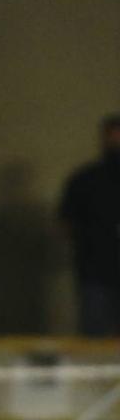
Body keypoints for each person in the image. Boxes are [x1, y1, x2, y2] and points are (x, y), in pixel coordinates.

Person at [59, 115, 120, 336]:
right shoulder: (85, 180)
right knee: (95, 335)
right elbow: (66, 222)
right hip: (96, 272)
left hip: (96, 270)